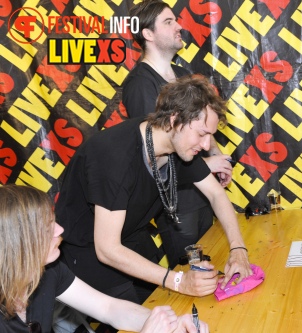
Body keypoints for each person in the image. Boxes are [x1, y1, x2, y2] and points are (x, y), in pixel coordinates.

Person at [55, 75, 252, 307]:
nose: (208, 146)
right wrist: (179, 281)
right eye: (202, 134)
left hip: (132, 238)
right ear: (174, 120)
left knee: (171, 307)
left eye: (211, 135)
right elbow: (107, 249)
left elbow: (216, 194)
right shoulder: (115, 158)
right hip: (89, 251)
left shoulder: (175, 143)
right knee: (141, 319)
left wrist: (238, 249)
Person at [0, 184, 208, 333]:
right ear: (18, 242)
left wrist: (170, 324)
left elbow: (108, 308)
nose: (60, 230)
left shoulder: (49, 271)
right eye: (47, 228)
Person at [121, 0, 233, 269]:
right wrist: (207, 165)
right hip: (176, 202)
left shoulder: (182, 74)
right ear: (147, 34)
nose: (179, 26)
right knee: (190, 271)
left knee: (214, 263)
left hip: (202, 192)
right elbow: (152, 153)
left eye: (176, 20)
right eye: (168, 22)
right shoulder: (140, 85)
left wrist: (218, 158)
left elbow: (203, 123)